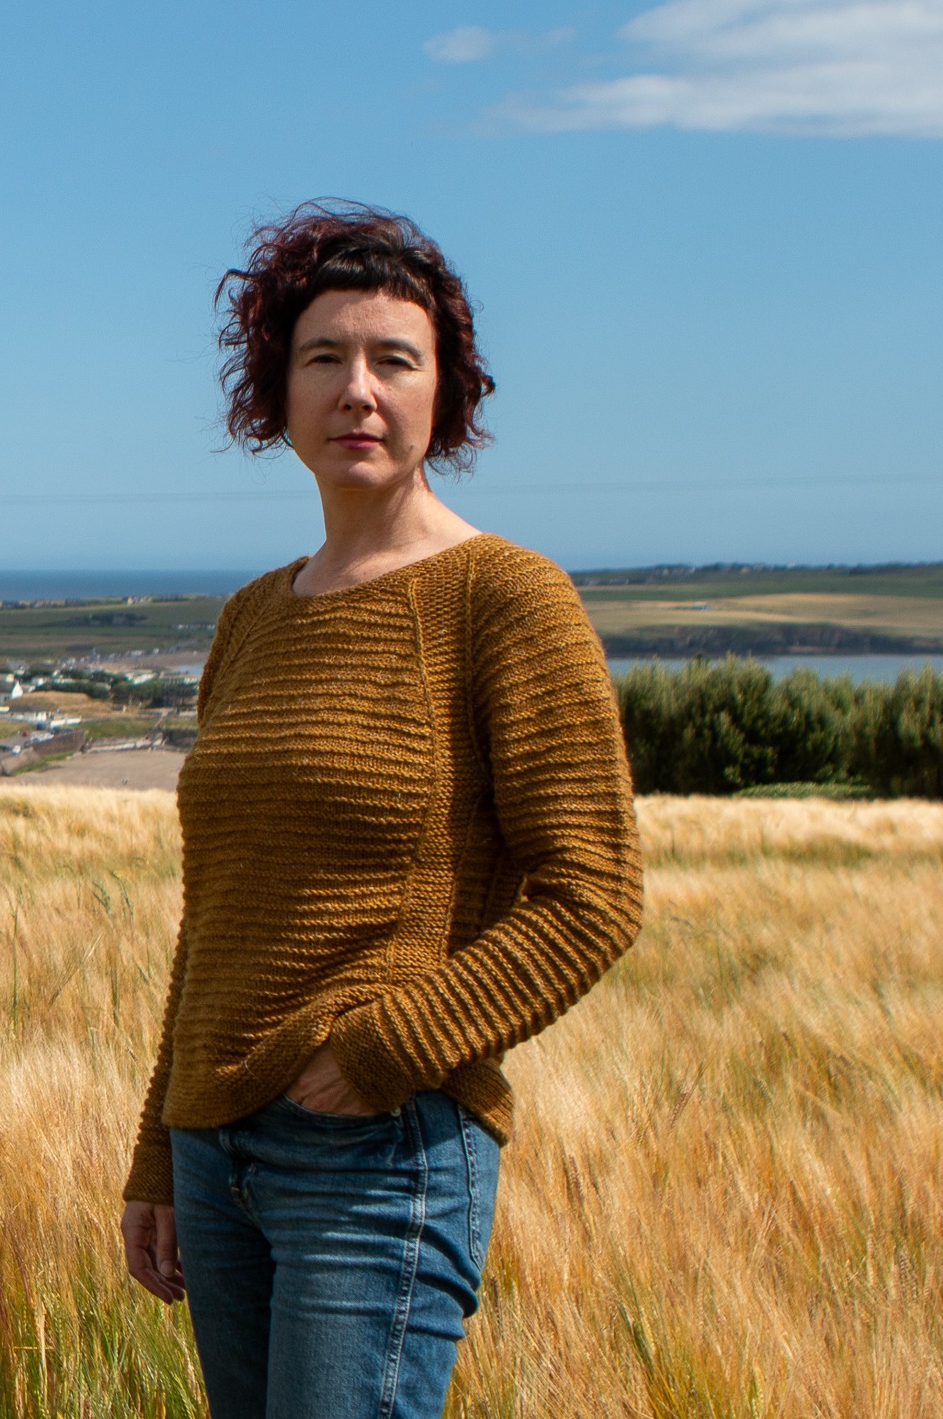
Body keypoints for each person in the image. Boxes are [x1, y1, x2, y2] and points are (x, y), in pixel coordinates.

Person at [117, 202, 643, 1418]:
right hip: (213, 1152)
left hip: (375, 1154)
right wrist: (159, 1146)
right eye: (323, 358)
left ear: (441, 396)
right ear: (276, 391)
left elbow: (592, 897)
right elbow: (217, 919)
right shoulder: (252, 616)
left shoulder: (505, 599)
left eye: (391, 361)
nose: (356, 390)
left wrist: (384, 1049)